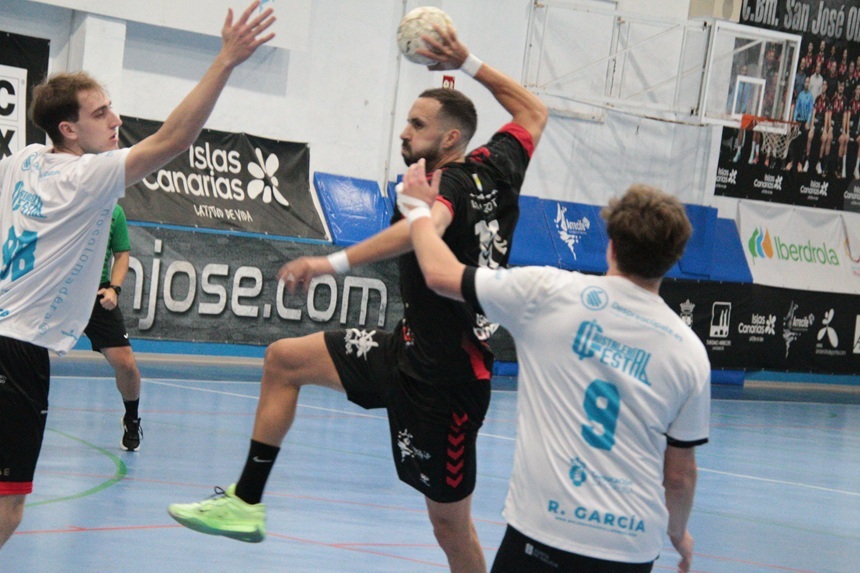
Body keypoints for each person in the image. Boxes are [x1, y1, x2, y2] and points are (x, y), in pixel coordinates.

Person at [167, 22, 548, 573]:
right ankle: (245, 503)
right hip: (407, 349)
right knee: (283, 360)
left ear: (449, 139)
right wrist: (467, 61)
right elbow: (533, 111)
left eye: (417, 125)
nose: (405, 132)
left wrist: (331, 262)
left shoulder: (450, 184)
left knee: (450, 527)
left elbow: (423, 229)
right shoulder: (498, 165)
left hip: (448, 382)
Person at [0, 1, 275, 549]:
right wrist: (225, 60)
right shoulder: (86, 176)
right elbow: (175, 140)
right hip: (19, 351)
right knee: (9, 503)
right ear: (69, 129)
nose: (116, 119)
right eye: (101, 113)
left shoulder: (23, 161)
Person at [399, 164, 710, 573]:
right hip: (629, 549)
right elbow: (680, 476)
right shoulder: (689, 352)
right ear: (673, 259)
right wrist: (676, 533)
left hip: (543, 534)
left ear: (611, 244)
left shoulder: (549, 293)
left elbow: (439, 275)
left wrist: (418, 211)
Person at [83, 203, 143, 451]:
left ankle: (131, 418)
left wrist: (114, 289)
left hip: (96, 294)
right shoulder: (59, 199)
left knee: (126, 364)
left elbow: (121, 255)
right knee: (20, 352)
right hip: (56, 290)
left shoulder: (114, 211)